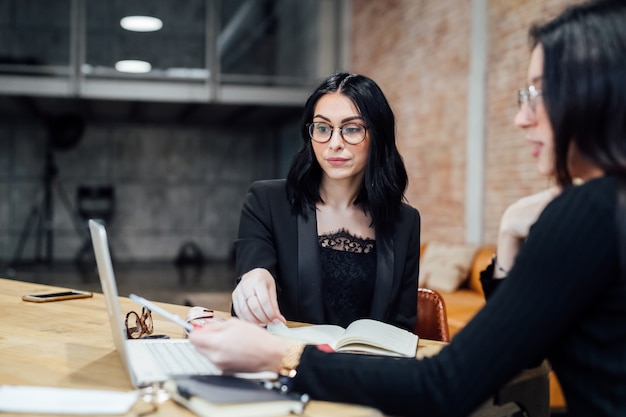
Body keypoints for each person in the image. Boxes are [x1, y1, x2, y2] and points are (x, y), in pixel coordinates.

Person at [190, 1, 626, 415]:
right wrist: (255, 276)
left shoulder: (589, 212)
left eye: (541, 93)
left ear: (598, 94)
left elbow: (450, 380)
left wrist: (283, 358)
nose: (522, 118)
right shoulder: (602, 208)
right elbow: (521, 339)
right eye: (322, 129)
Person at [229, 72, 420, 331]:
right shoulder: (267, 201)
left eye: (352, 129)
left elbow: (403, 325)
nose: (334, 143)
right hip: (291, 363)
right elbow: (253, 268)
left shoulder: (405, 221)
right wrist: (255, 277)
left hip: (367, 368)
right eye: (322, 128)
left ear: (378, 136)